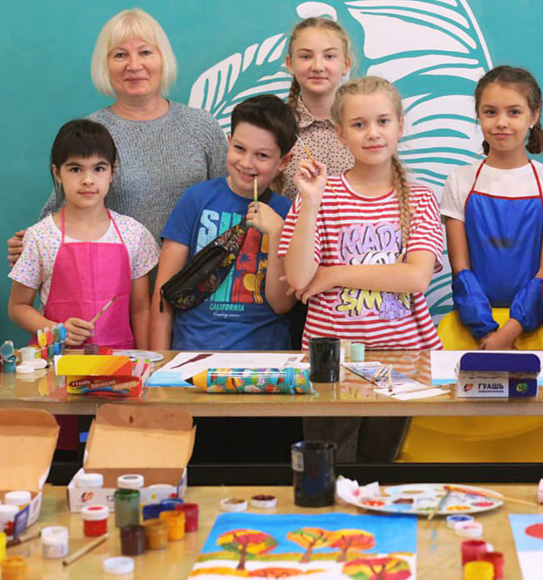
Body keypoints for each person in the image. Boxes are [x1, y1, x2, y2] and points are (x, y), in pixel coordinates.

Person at [400, 65, 543, 462]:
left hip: (534, 327)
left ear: (534, 116)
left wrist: (511, 330)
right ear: (478, 115)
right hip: (472, 327)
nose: (501, 122)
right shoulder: (460, 181)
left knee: (537, 437)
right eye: (490, 112)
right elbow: (461, 269)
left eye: (514, 112)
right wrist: (487, 330)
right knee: (455, 438)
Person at [280, 76, 444, 463]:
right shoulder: (321, 195)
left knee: (380, 469)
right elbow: (300, 278)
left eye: (383, 121)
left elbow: (416, 277)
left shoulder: (420, 198)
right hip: (329, 360)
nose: (372, 133)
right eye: (359, 124)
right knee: (326, 469)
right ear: (340, 134)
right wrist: (311, 203)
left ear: (400, 126)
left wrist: (334, 274)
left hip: (402, 359)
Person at [7, 8, 226, 263]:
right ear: (105, 65)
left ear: (163, 58)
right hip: (111, 279)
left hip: (195, 279)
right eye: (120, 55)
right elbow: (59, 213)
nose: (134, 65)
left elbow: (230, 202)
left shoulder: (202, 126)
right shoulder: (91, 132)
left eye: (145, 52)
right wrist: (32, 246)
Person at [150, 95, 296, 351]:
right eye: (239, 149)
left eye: (262, 155)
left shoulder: (287, 212)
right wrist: (159, 360)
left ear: (283, 161)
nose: (246, 163)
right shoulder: (196, 199)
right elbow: (164, 293)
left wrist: (278, 233)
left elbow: (281, 305)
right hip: (193, 350)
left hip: (266, 355)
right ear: (228, 142)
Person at [8, 119, 158, 349]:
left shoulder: (134, 234)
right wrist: (56, 331)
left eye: (99, 169)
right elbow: (18, 307)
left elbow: (141, 309)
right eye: (75, 169)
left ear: (112, 172)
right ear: (57, 173)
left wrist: (149, 360)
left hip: (120, 362)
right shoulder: (40, 237)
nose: (88, 180)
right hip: (57, 363)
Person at [279, 16, 355, 199]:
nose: (318, 66)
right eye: (306, 56)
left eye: (329, 56)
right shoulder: (276, 126)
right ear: (290, 64)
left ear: (346, 64)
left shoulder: (362, 127)